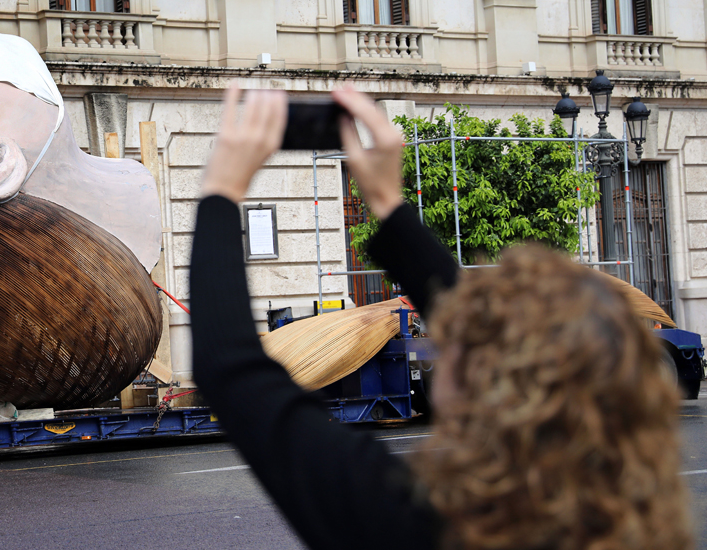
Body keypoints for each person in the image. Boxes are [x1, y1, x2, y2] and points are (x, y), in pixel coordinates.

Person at [189, 85, 690, 550]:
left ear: (488, 390)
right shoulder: (636, 526)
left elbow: (233, 373)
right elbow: (470, 320)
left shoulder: (426, 526)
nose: (448, 342)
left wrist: (220, 190)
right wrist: (388, 204)